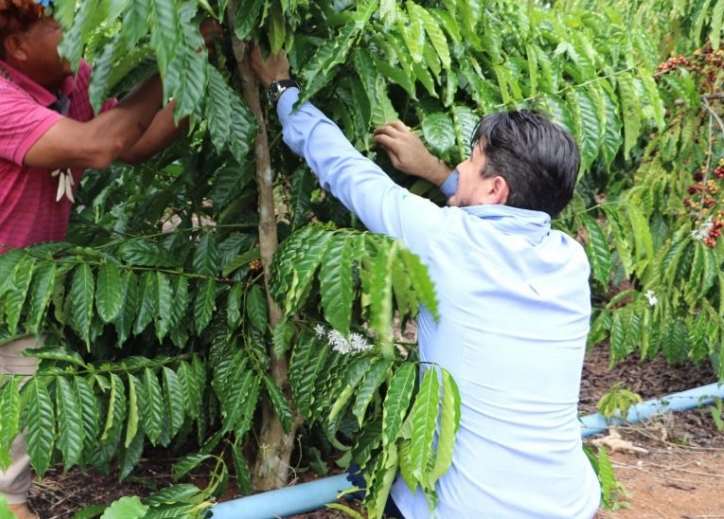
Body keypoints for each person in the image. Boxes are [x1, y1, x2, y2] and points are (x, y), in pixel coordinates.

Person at [251, 49, 601, 518]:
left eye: (472, 163)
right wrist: (436, 171)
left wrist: (280, 89)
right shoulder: (571, 261)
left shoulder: (444, 240)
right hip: (568, 503)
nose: (462, 167)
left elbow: (347, 171)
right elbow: (499, 214)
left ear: (495, 188)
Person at [0, 0, 198, 517]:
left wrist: (197, 79)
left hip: (25, 270)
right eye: (61, 26)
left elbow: (133, 145)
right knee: (38, 376)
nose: (76, 36)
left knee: (35, 366)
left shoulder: (72, 82)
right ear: (18, 46)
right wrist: (181, 56)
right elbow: (99, 145)